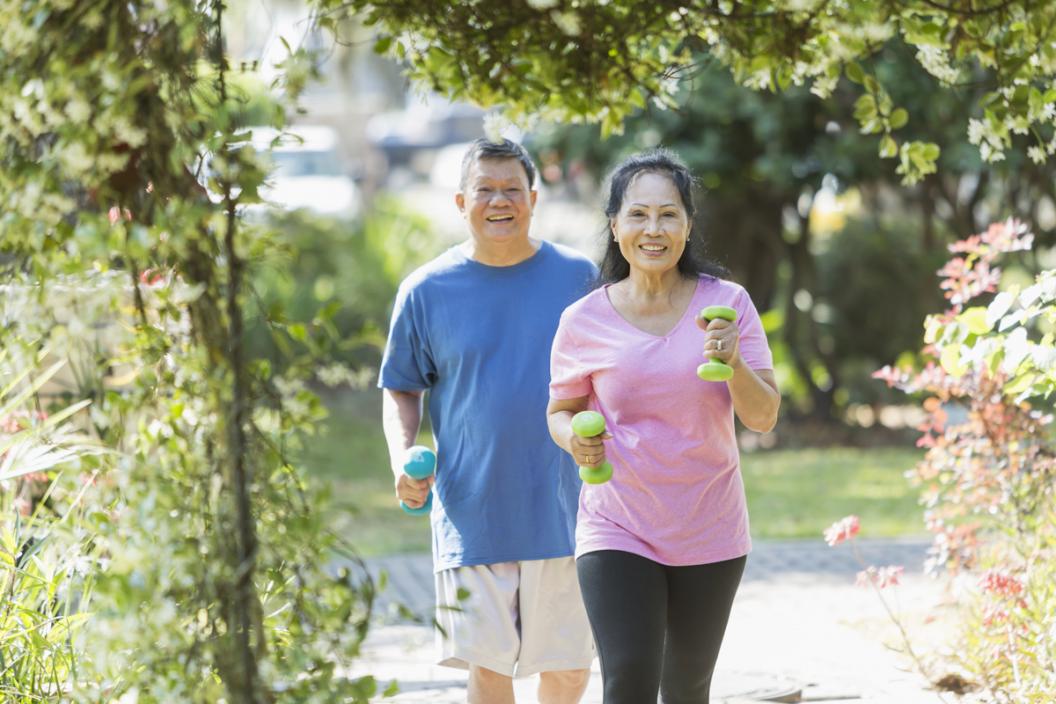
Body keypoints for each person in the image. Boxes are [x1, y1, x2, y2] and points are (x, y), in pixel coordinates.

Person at [546, 149, 780, 704]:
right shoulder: (583, 321)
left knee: (686, 688)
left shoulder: (728, 304)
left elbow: (763, 416)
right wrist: (574, 439)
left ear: (688, 224)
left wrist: (735, 363)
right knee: (627, 677)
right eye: (639, 214)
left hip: (709, 523)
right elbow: (560, 409)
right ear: (615, 225)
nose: (654, 229)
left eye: (669, 214)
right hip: (617, 522)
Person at [379, 138, 597, 704]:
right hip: (472, 512)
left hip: (567, 507)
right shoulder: (425, 290)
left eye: (511, 190)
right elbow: (401, 386)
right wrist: (402, 455)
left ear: (533, 197)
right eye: (485, 190)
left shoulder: (580, 276)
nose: (499, 202)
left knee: (570, 669)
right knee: (488, 671)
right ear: (459, 202)